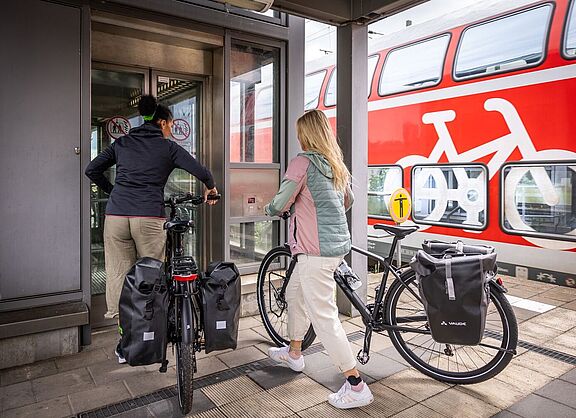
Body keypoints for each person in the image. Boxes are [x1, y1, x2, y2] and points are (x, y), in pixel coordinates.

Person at [85, 95, 218, 363]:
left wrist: (114, 192)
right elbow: (201, 170)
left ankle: (124, 345)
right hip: (148, 217)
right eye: (170, 124)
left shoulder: (122, 143)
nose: (171, 129)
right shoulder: (167, 147)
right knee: (152, 278)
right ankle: (150, 338)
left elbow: (92, 169)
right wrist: (211, 188)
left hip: (116, 217)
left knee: (120, 277)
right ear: (162, 122)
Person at [264, 109, 373, 409]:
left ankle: (355, 385)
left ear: (307, 135)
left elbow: (281, 201)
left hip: (315, 252)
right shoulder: (334, 164)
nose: (298, 138)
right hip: (334, 247)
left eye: (300, 132)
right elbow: (348, 200)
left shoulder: (303, 162)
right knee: (294, 293)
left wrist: (269, 209)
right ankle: (294, 352)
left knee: (324, 317)